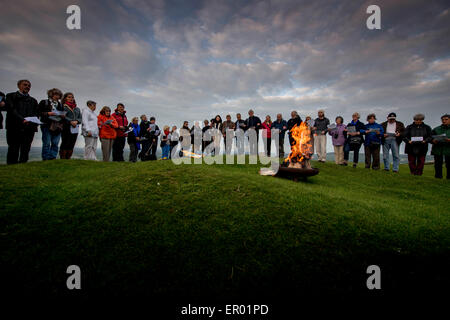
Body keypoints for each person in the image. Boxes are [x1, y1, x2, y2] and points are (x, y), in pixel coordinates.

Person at [4, 80, 39, 164]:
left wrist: (31, 120)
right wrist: (22, 119)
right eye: (25, 85)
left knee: (26, 148)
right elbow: (12, 110)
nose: (27, 87)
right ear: (19, 85)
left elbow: (36, 113)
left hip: (29, 127)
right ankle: (12, 165)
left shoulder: (33, 100)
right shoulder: (10, 96)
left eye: (29, 86)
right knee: (13, 147)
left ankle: (23, 164)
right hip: (14, 126)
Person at [38, 88, 64, 160]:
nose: (57, 96)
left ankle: (53, 158)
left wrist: (62, 115)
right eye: (55, 94)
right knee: (47, 142)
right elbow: (38, 112)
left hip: (57, 125)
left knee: (55, 143)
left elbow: (63, 115)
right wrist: (47, 113)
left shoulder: (60, 105)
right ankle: (46, 158)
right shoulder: (44, 102)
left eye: (58, 95)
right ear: (51, 94)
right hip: (47, 124)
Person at [60, 92, 82, 159]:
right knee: (65, 142)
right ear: (65, 98)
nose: (71, 98)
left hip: (75, 128)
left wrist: (77, 121)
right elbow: (62, 116)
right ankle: (63, 157)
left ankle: (68, 157)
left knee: (72, 143)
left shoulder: (77, 108)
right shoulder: (63, 107)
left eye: (72, 97)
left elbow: (80, 118)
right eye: (69, 97)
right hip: (66, 127)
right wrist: (70, 121)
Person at [431, 114, 450, 179]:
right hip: (438, 149)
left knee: (449, 165)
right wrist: (433, 141)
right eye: (443, 120)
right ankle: (438, 177)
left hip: (448, 149)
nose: (444, 121)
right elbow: (430, 137)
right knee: (438, 164)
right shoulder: (436, 129)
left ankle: (449, 178)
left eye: (446, 119)